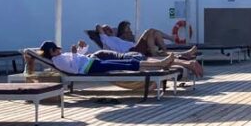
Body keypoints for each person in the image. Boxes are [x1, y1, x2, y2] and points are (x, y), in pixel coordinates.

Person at [31, 40, 176, 75]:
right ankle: (161, 64)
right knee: (125, 65)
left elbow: (79, 58)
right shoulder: (58, 60)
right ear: (52, 51)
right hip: (91, 67)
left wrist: (82, 48)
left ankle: (160, 64)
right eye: (56, 49)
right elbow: (74, 70)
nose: (58, 50)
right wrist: (74, 53)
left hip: (92, 62)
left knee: (128, 62)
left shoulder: (60, 57)